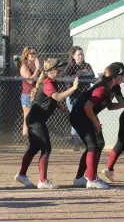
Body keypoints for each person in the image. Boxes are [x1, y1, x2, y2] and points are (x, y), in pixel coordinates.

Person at [70, 63, 124, 189]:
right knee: (93, 145)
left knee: (98, 144)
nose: (123, 77)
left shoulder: (114, 87)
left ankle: (80, 178)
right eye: (121, 75)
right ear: (114, 77)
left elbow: (111, 106)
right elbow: (87, 107)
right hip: (80, 116)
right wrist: (95, 122)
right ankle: (92, 179)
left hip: (88, 115)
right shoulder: (102, 88)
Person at [14, 58, 78, 189]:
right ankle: (43, 180)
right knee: (46, 148)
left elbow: (47, 100)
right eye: (58, 69)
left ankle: (21, 174)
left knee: (34, 148)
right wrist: (74, 88)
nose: (60, 71)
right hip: (36, 121)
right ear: (52, 71)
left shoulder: (52, 82)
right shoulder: (48, 82)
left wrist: (58, 108)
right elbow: (58, 97)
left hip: (35, 119)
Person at [64, 46, 95, 150]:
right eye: (78, 55)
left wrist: (96, 77)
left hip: (84, 96)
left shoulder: (87, 65)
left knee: (83, 118)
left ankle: (81, 140)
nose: (80, 57)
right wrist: (77, 74)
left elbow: (92, 78)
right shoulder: (70, 67)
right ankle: (75, 141)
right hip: (73, 96)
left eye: (82, 54)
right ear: (73, 56)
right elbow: (66, 80)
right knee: (75, 118)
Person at [19, 46, 41, 136]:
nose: (33, 55)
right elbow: (30, 80)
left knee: (35, 119)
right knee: (27, 119)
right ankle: (27, 138)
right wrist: (37, 69)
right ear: (26, 55)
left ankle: (31, 138)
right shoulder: (24, 67)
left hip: (36, 94)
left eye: (34, 53)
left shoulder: (35, 66)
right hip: (28, 95)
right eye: (31, 53)